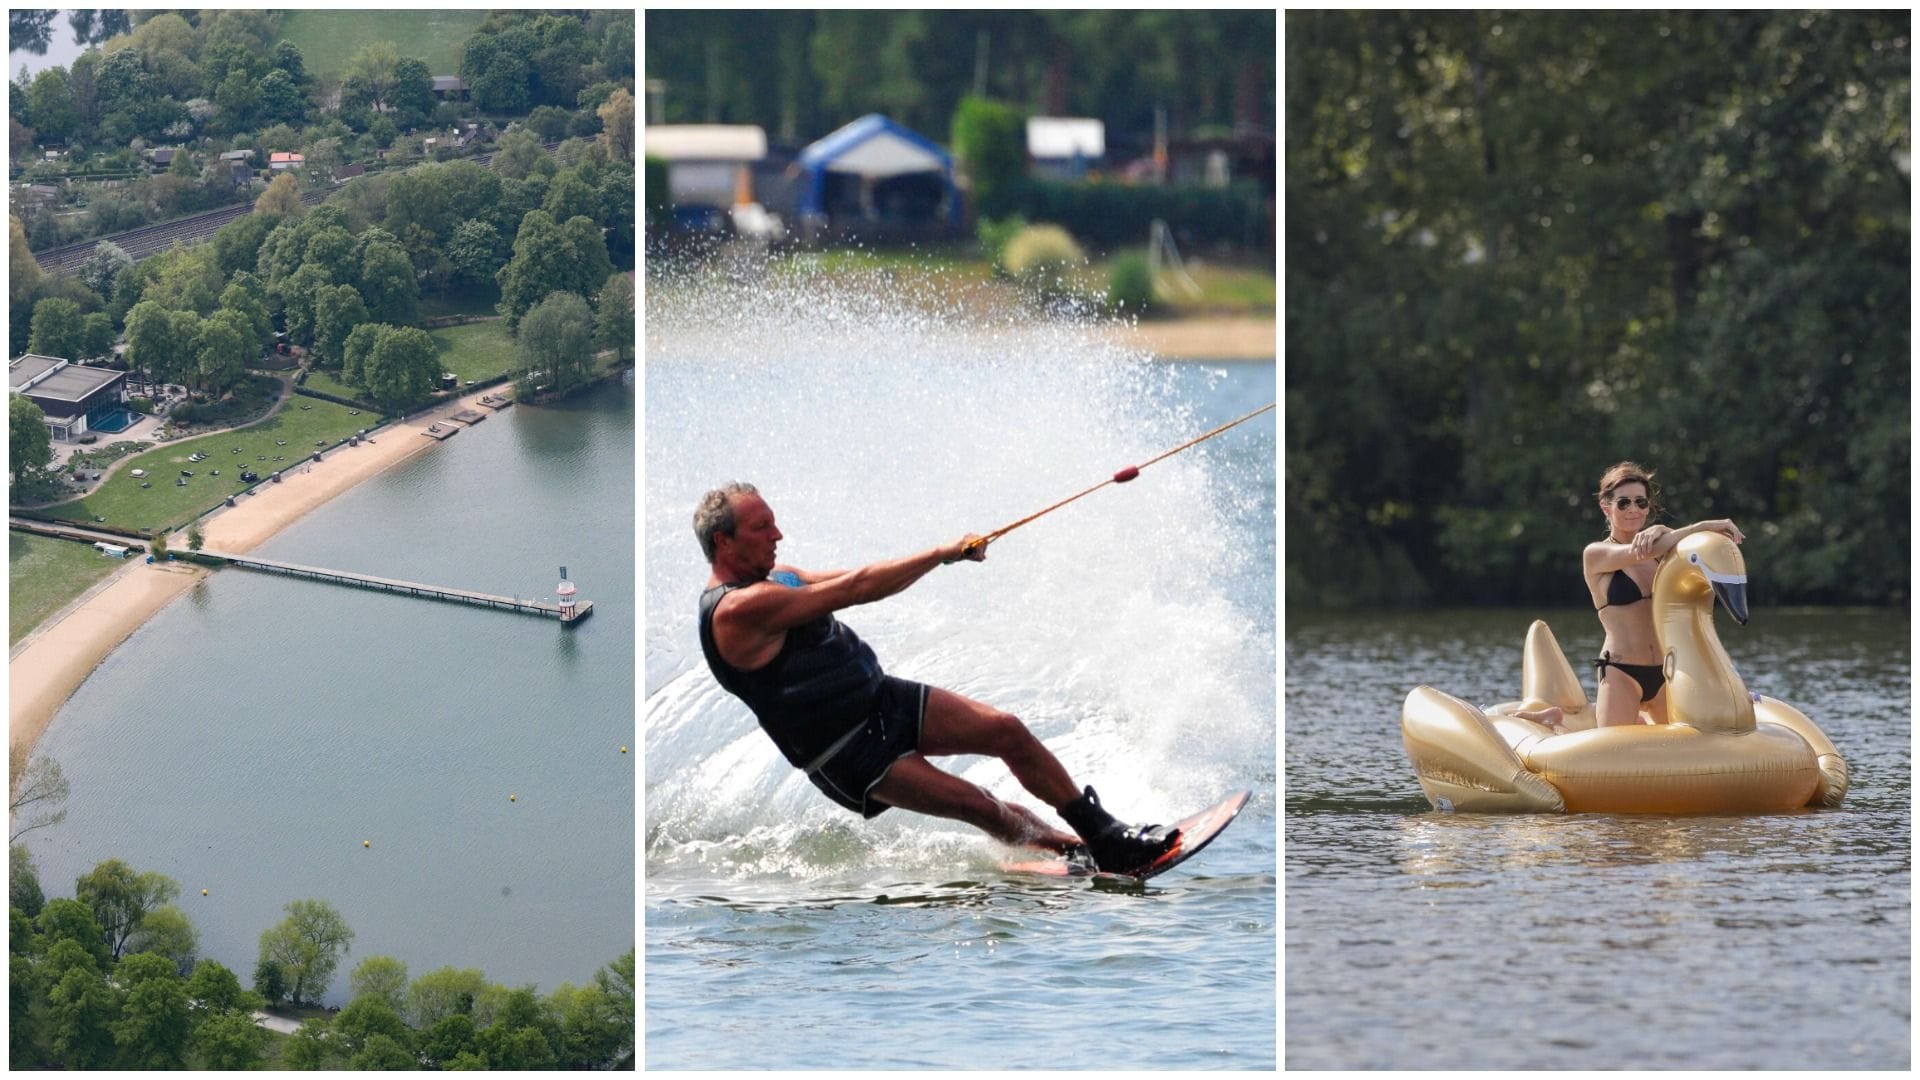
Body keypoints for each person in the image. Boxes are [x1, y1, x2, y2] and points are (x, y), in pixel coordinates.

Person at [692, 482, 1179, 874]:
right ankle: (1074, 854)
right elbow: (858, 590)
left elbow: (865, 575)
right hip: (848, 750)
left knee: (1005, 730)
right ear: (724, 542)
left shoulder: (779, 577)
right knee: (979, 805)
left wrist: (944, 557)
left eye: (774, 522)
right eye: (762, 527)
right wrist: (941, 553)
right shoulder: (739, 610)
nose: (778, 536)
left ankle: (1102, 834)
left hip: (882, 700)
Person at [1519, 462, 1744, 731]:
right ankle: (1546, 720)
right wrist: (1705, 525)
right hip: (1621, 671)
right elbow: (1640, 553)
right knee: (1609, 753)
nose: (1633, 510)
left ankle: (1631, 721)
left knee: (1680, 754)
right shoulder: (1596, 554)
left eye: (1641, 502)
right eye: (1623, 503)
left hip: (1665, 672)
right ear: (1606, 507)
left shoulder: (1664, 553)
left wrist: (1661, 529)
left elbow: (1682, 550)